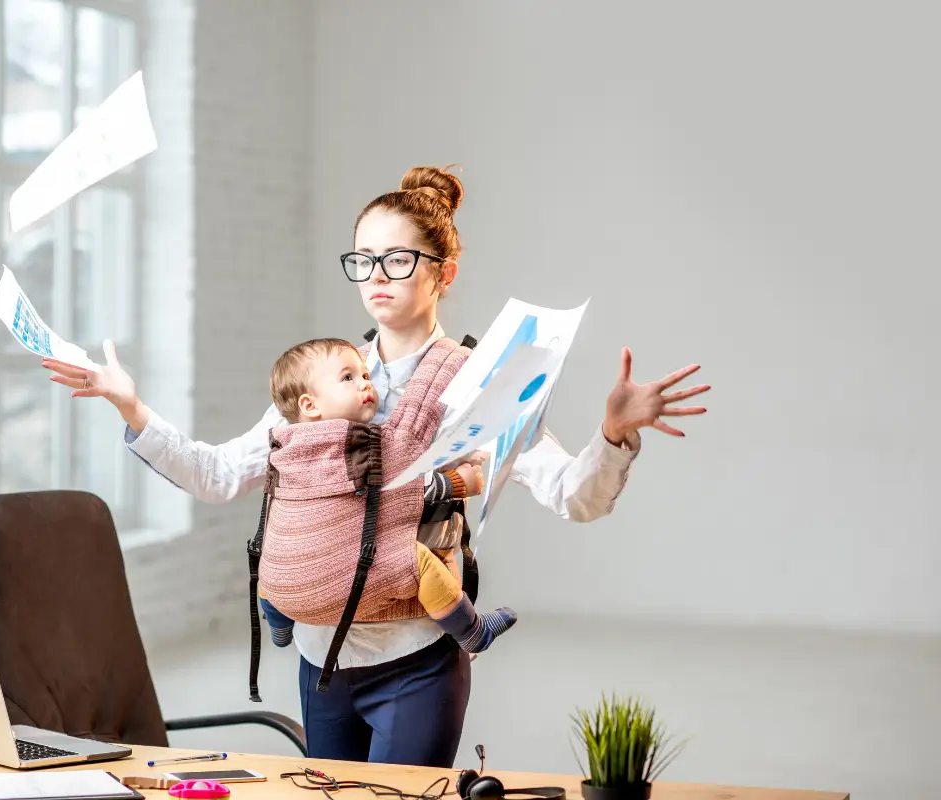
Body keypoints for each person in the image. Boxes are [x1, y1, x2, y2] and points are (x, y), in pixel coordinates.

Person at [41, 165, 709, 768]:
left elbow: (576, 497)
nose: (377, 277)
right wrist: (131, 408)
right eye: (363, 260)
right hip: (319, 662)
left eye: (397, 258)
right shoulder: (324, 378)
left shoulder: (481, 381)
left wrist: (614, 434)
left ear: (443, 272)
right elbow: (217, 476)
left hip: (415, 662)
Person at [257, 336, 517, 655]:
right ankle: (472, 630)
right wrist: (460, 483)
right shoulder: (356, 444)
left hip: (283, 591)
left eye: (365, 375)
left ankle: (279, 627)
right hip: (339, 587)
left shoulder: (283, 448)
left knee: (273, 556)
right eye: (347, 378)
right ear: (310, 405)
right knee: (422, 562)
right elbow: (401, 490)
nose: (365, 383)